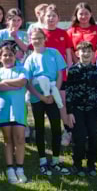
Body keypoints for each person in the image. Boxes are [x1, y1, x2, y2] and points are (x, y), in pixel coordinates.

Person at [22, 27, 70, 176]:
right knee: (40, 129)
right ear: (30, 40)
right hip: (38, 98)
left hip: (53, 94)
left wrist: (54, 91)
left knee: (56, 128)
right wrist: (41, 96)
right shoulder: (29, 59)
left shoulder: (54, 53)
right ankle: (43, 160)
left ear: (44, 39)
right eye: (34, 38)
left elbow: (60, 74)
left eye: (39, 38)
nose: (37, 41)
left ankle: (56, 160)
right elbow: (28, 82)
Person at [63, 41, 97, 176]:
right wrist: (69, 112)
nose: (86, 54)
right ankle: (77, 164)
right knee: (79, 138)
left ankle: (91, 164)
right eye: (83, 51)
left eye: (88, 51)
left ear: (92, 53)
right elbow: (69, 92)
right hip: (77, 110)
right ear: (77, 53)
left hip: (93, 109)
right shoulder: (73, 71)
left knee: (94, 136)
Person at [0, 42, 30, 184]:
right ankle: (10, 169)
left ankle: (20, 168)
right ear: (0, 58)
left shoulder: (22, 69)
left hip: (19, 109)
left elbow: (22, 82)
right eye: (5, 55)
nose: (8, 57)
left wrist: (7, 82)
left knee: (20, 138)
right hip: (4, 110)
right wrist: (13, 85)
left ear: (15, 57)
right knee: (8, 139)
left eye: (10, 55)